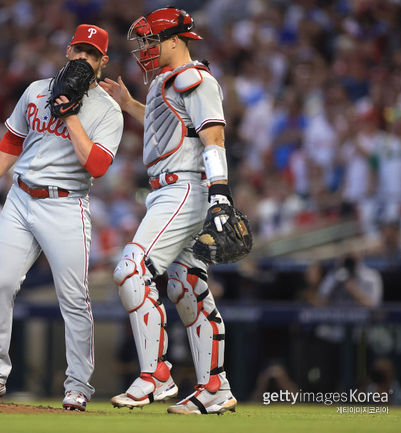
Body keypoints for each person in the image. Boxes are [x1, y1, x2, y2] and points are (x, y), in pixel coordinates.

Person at [0, 24, 123, 411]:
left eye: (93, 54)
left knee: (74, 299)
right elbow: (11, 140)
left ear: (103, 62)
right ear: (68, 51)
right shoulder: (37, 90)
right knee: (0, 284)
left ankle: (77, 384)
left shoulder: (107, 110)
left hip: (66, 204)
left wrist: (71, 116)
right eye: (80, 51)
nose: (84, 59)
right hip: (21, 199)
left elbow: (98, 166)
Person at [100, 7, 237, 414]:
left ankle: (155, 375)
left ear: (175, 40)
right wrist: (128, 104)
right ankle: (215, 387)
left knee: (131, 269)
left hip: (184, 188)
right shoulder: (169, 81)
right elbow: (173, 126)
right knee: (186, 286)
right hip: (169, 189)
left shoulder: (195, 77)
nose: (144, 49)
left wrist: (221, 194)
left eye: (150, 40)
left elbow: (213, 135)